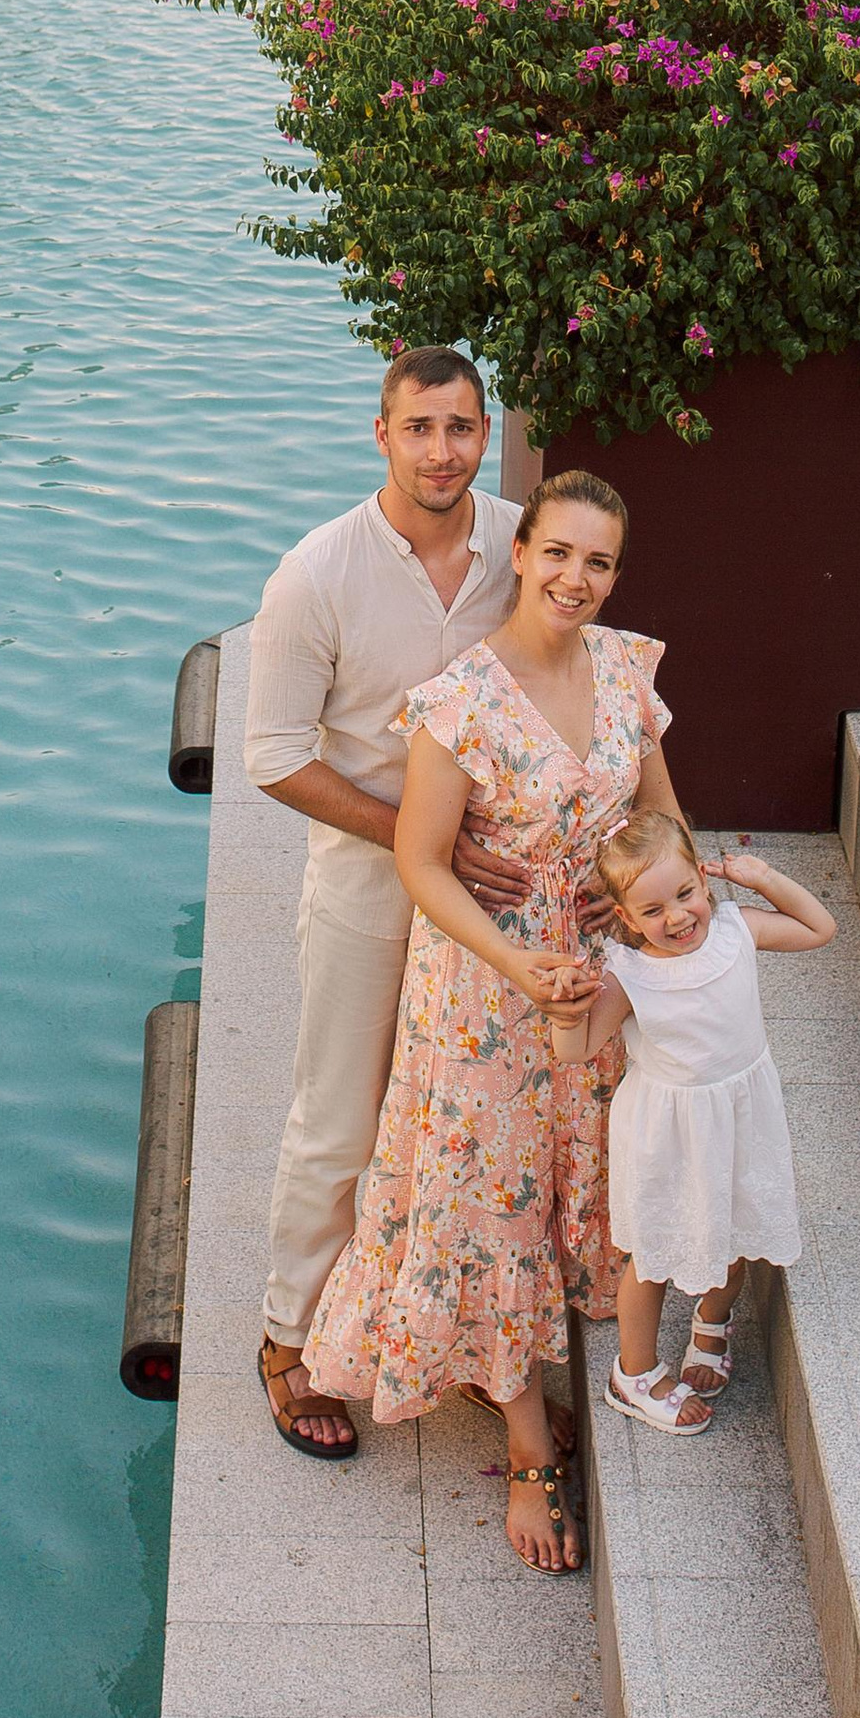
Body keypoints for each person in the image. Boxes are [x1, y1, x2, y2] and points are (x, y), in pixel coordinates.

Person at [302, 474, 681, 1576]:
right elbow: (421, 861)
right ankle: (523, 1440)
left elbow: (661, 815)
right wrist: (517, 959)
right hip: (479, 989)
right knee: (484, 1197)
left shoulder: (627, 671)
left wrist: (648, 900)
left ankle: (512, 1361)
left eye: (598, 563)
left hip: (595, 973)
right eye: (557, 553)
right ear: (522, 553)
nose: (575, 579)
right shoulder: (457, 698)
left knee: (569, 1171)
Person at [244, 350, 527, 1464]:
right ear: (380, 434)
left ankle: (437, 1328)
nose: (442, 451)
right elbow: (271, 757)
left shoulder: (520, 547)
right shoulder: (315, 574)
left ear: (486, 430)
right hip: (368, 887)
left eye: (460, 429)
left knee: (462, 1114)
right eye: (419, 429)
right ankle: (286, 1342)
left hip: (494, 884)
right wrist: (418, 838)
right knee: (342, 1121)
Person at [545, 808, 832, 1437]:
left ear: (705, 880)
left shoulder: (736, 929)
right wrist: (568, 1008)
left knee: (732, 1225)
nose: (676, 917)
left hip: (739, 1113)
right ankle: (636, 1371)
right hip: (666, 1133)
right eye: (651, 911)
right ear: (624, 918)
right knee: (649, 1256)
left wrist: (763, 879)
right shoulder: (630, 973)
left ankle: (712, 1319)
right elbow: (576, 1049)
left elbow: (820, 928)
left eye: (685, 894)